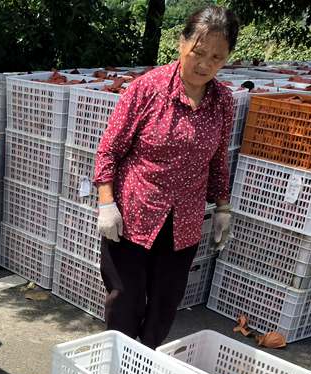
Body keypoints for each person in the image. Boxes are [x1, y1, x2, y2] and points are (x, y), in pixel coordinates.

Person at [93, 6, 239, 349]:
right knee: (125, 300)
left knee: (164, 303)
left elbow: (218, 159)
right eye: (198, 53)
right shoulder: (147, 89)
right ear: (181, 43)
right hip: (133, 213)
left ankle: (146, 365)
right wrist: (106, 203)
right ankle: (117, 364)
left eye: (216, 58)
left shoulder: (223, 102)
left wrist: (222, 207)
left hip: (184, 221)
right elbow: (109, 149)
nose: (204, 65)